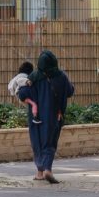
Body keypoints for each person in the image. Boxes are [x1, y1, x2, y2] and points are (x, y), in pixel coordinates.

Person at [17, 49, 74, 183]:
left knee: (37, 143)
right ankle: (48, 169)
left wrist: (34, 103)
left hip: (36, 117)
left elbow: (22, 94)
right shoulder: (61, 76)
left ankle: (39, 173)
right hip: (55, 116)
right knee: (50, 143)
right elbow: (70, 92)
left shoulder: (33, 77)